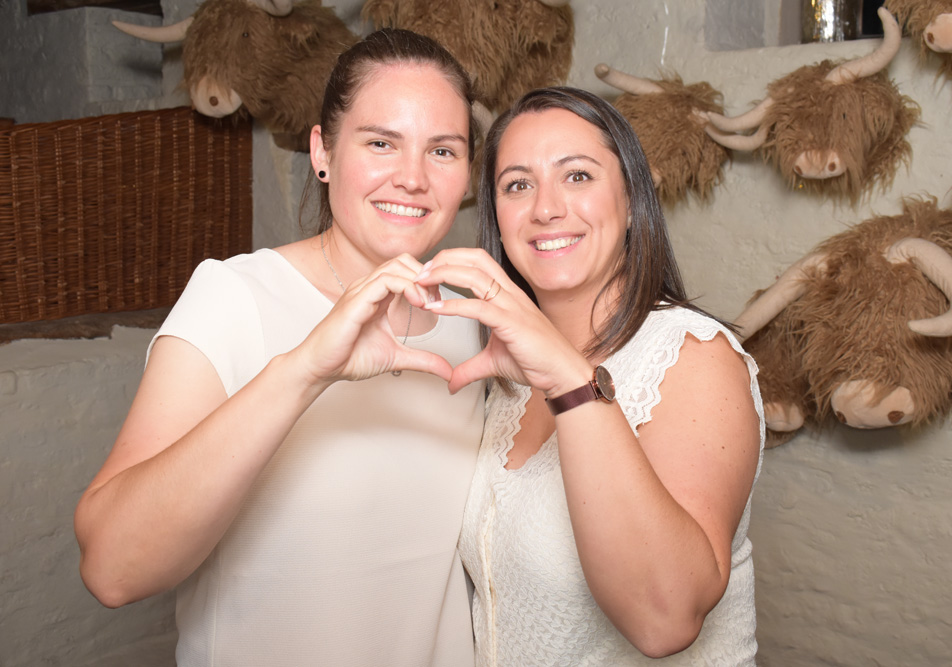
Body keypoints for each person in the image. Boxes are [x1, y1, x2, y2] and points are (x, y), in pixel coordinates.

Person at [74, 29, 485, 666]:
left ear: (466, 174)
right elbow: (113, 568)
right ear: (323, 151)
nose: (412, 177)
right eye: (381, 142)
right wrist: (303, 372)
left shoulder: (470, 322)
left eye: (442, 150)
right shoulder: (233, 296)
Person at [415, 87, 766, 665]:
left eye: (576, 176)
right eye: (517, 184)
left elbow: (666, 620)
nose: (546, 208)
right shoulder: (503, 375)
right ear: (497, 219)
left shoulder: (695, 355)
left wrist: (568, 381)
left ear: (630, 200)